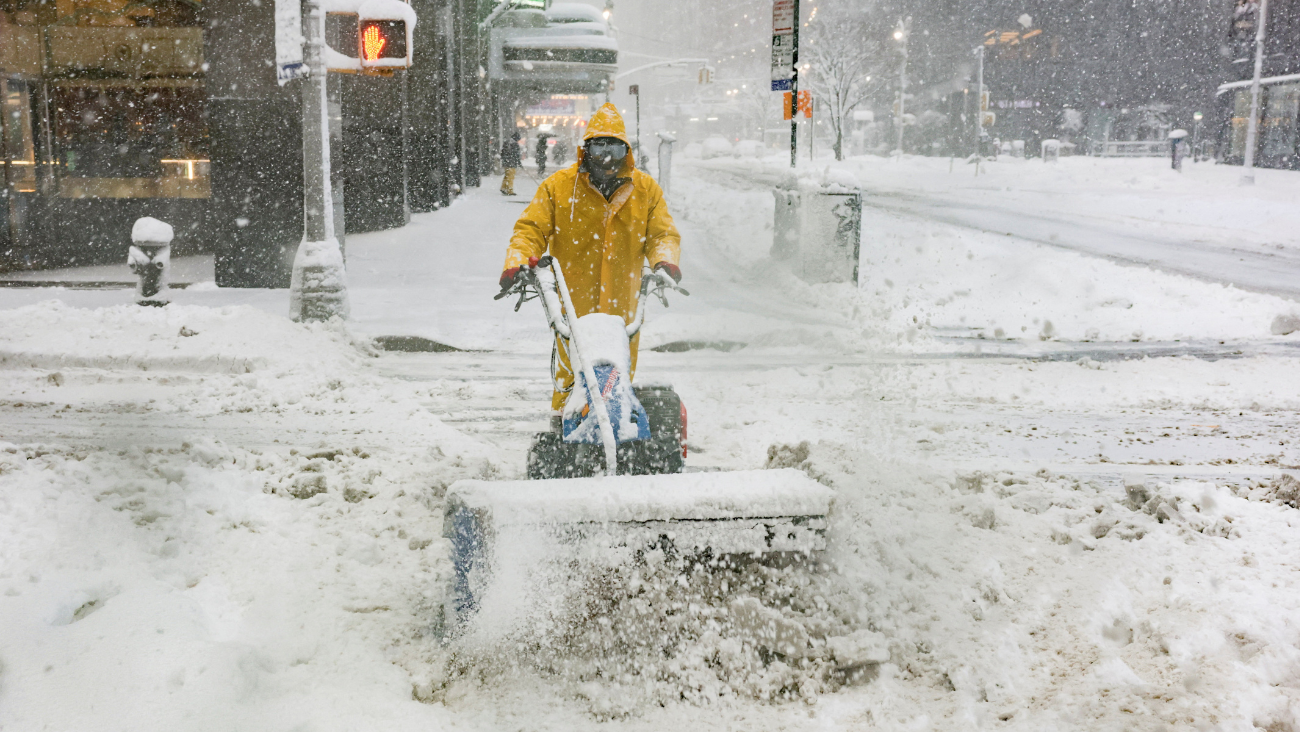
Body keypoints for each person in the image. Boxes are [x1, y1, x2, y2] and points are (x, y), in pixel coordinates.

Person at [499, 103, 681, 411]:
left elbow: (662, 234)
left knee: (617, 372)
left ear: (627, 151)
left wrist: (664, 262)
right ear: (587, 150)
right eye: (599, 147)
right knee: (571, 373)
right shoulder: (558, 188)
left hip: (623, 302)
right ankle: (563, 430)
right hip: (573, 302)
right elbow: (530, 230)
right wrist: (517, 263)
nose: (607, 157)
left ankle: (615, 427)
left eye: (615, 147)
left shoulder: (645, 190)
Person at [500, 130, 521, 196]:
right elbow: (516, 155)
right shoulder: (515, 144)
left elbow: (502, 152)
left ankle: (503, 188)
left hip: (506, 163)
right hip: (512, 163)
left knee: (507, 176)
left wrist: (505, 159)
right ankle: (509, 190)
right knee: (510, 177)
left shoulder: (507, 142)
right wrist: (518, 162)